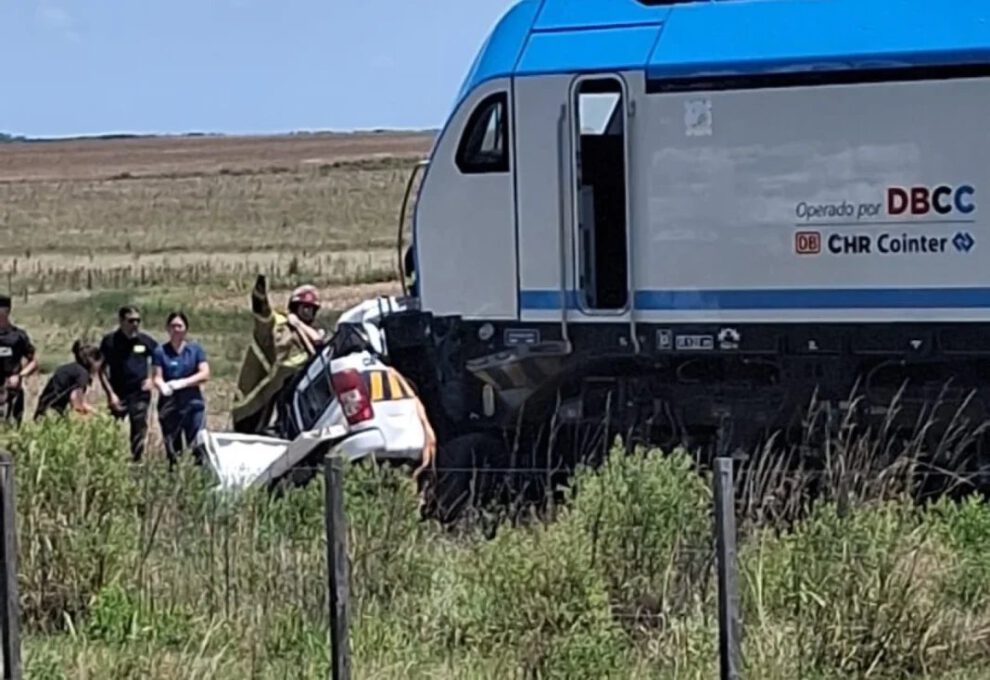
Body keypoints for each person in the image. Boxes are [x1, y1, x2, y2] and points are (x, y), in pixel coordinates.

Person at [231, 276, 326, 434]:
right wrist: (260, 290)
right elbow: (262, 312)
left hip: (285, 398)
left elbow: (319, 347)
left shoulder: (312, 333)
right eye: (304, 307)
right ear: (295, 307)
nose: (308, 311)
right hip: (253, 397)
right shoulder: (279, 324)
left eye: (311, 308)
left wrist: (298, 324)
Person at [99, 306, 159, 461]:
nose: (135, 324)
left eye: (138, 320)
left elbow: (161, 358)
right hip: (118, 393)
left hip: (139, 394)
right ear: (121, 321)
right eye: (131, 320)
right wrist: (110, 394)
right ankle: (109, 462)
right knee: (110, 430)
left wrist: (153, 378)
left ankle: (136, 462)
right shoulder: (110, 342)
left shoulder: (144, 341)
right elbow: (101, 370)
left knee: (138, 431)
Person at [152, 312, 210, 466]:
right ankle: (174, 481)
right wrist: (162, 386)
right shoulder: (160, 352)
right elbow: (156, 376)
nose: (176, 329)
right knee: (172, 449)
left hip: (193, 405)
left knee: (198, 445)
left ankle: (198, 479)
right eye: (172, 326)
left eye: (179, 326)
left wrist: (184, 383)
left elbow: (204, 373)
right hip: (170, 407)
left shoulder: (195, 350)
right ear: (167, 328)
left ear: (186, 329)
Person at [34, 341, 103, 419]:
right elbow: (77, 402)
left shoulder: (72, 368)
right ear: (92, 361)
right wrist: (100, 415)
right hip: (52, 413)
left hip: (44, 408)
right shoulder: (82, 374)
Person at [0, 294, 38, 426]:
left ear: (6, 311)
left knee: (13, 426)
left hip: (12, 387)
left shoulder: (18, 336)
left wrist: (19, 375)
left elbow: (33, 362)